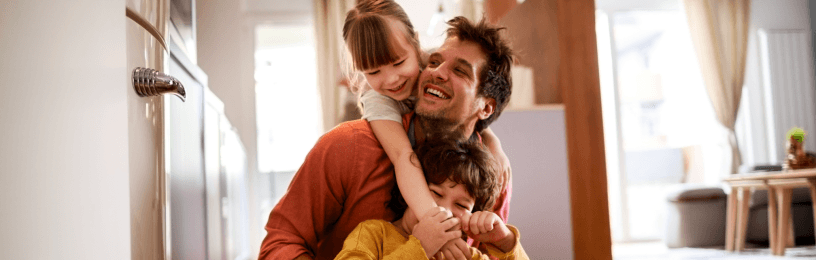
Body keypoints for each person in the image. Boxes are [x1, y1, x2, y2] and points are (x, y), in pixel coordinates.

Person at [259, 15, 515, 260]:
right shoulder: (347, 146)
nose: (436, 72)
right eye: (434, 62)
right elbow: (281, 242)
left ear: (486, 107)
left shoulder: (494, 173)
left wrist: (508, 243)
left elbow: (491, 253)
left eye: (460, 71)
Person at [341, 0, 511, 231]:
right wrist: (437, 225)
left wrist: (493, 141)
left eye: (399, 62)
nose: (391, 79)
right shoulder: (377, 103)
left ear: (416, 46)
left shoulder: (430, 66)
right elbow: (402, 156)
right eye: (373, 72)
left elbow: (469, 109)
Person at [335, 139, 528, 259]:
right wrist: (420, 247)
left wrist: (506, 241)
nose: (444, 209)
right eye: (435, 193)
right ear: (411, 189)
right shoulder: (374, 235)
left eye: (461, 205)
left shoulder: (464, 255)